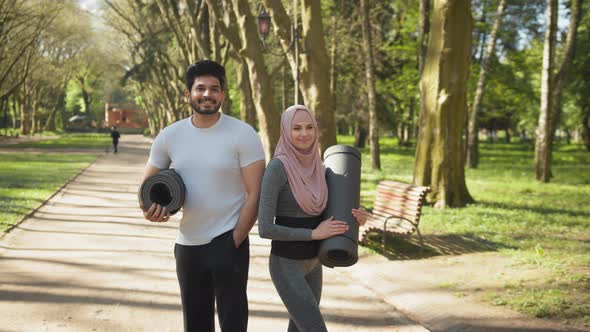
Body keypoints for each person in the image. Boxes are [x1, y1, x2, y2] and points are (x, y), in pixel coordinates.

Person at [139, 60, 265, 332]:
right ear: (188, 94)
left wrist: (234, 240)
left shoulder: (243, 134)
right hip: (187, 246)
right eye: (200, 89)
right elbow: (146, 190)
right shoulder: (170, 136)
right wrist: (153, 212)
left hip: (229, 241)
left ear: (223, 94)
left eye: (214, 89)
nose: (207, 94)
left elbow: (255, 194)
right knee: (195, 325)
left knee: (233, 325)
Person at [257, 105, 371, 332]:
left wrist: (359, 215)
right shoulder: (277, 168)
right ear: (285, 131)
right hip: (286, 265)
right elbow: (265, 228)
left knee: (299, 329)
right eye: (296, 128)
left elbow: (332, 209)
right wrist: (313, 233)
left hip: (313, 263)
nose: (304, 133)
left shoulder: (320, 169)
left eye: (309, 127)